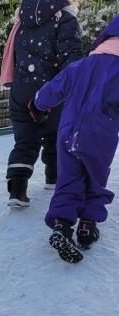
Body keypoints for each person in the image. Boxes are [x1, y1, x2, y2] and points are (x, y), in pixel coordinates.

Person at [31, 14, 119, 263]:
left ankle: (61, 225)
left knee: (68, 179)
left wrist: (38, 102)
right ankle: (87, 227)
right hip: (100, 134)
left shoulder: (81, 65)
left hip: (68, 130)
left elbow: (53, 89)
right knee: (95, 178)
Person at [0, 0, 82, 207]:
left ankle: (17, 189)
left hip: (22, 89)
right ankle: (53, 177)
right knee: (56, 134)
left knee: (25, 140)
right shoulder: (65, 20)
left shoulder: (22, 21)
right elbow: (71, 59)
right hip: (51, 87)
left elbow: (16, 55)